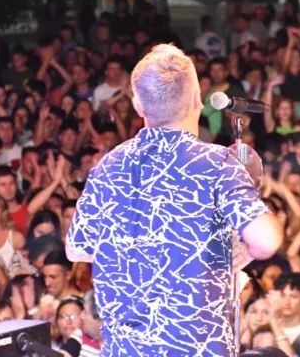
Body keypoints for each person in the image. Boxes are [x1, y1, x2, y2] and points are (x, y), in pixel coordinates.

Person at [66, 44, 283, 356]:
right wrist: (240, 251)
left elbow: (77, 248)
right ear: (197, 99)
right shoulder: (216, 163)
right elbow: (266, 240)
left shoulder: (108, 167)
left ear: (137, 105)